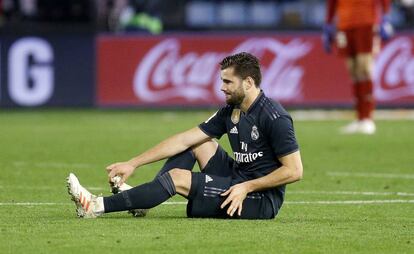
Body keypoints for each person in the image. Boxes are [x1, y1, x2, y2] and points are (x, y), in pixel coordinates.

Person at [67, 52, 303, 219]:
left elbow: (294, 171)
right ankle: (142, 202)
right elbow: (183, 140)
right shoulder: (231, 110)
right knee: (198, 144)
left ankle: (95, 206)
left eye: (228, 81)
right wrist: (133, 163)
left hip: (259, 199)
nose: (222, 87)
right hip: (238, 177)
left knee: (178, 177)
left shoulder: (275, 117)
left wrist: (247, 187)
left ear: (249, 82)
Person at [322, 0, 393, 134]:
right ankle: (360, 118)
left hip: (366, 21)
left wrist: (386, 16)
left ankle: (368, 118)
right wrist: (328, 23)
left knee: (364, 67)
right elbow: (332, 2)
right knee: (353, 70)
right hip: (344, 24)